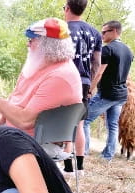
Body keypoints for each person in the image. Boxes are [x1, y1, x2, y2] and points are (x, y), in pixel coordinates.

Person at [0, 17, 82, 158]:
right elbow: (14, 98)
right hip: (13, 133)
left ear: (46, 45)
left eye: (31, 40)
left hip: (31, 142)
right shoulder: (40, 65)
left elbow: (25, 121)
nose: (27, 44)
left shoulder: (60, 76)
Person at [84, 21, 133, 162]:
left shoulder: (108, 49)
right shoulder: (128, 51)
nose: (102, 35)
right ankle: (107, 156)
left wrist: (89, 90)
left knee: (84, 119)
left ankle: (84, 151)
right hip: (121, 95)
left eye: (105, 32)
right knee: (113, 125)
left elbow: (99, 74)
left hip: (107, 94)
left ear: (115, 31)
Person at [62, 0, 102, 176]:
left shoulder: (61, 29)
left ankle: (67, 167)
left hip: (64, 79)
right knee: (79, 124)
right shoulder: (94, 32)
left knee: (61, 121)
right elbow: (97, 63)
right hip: (84, 81)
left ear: (68, 8)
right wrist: (91, 84)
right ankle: (79, 167)